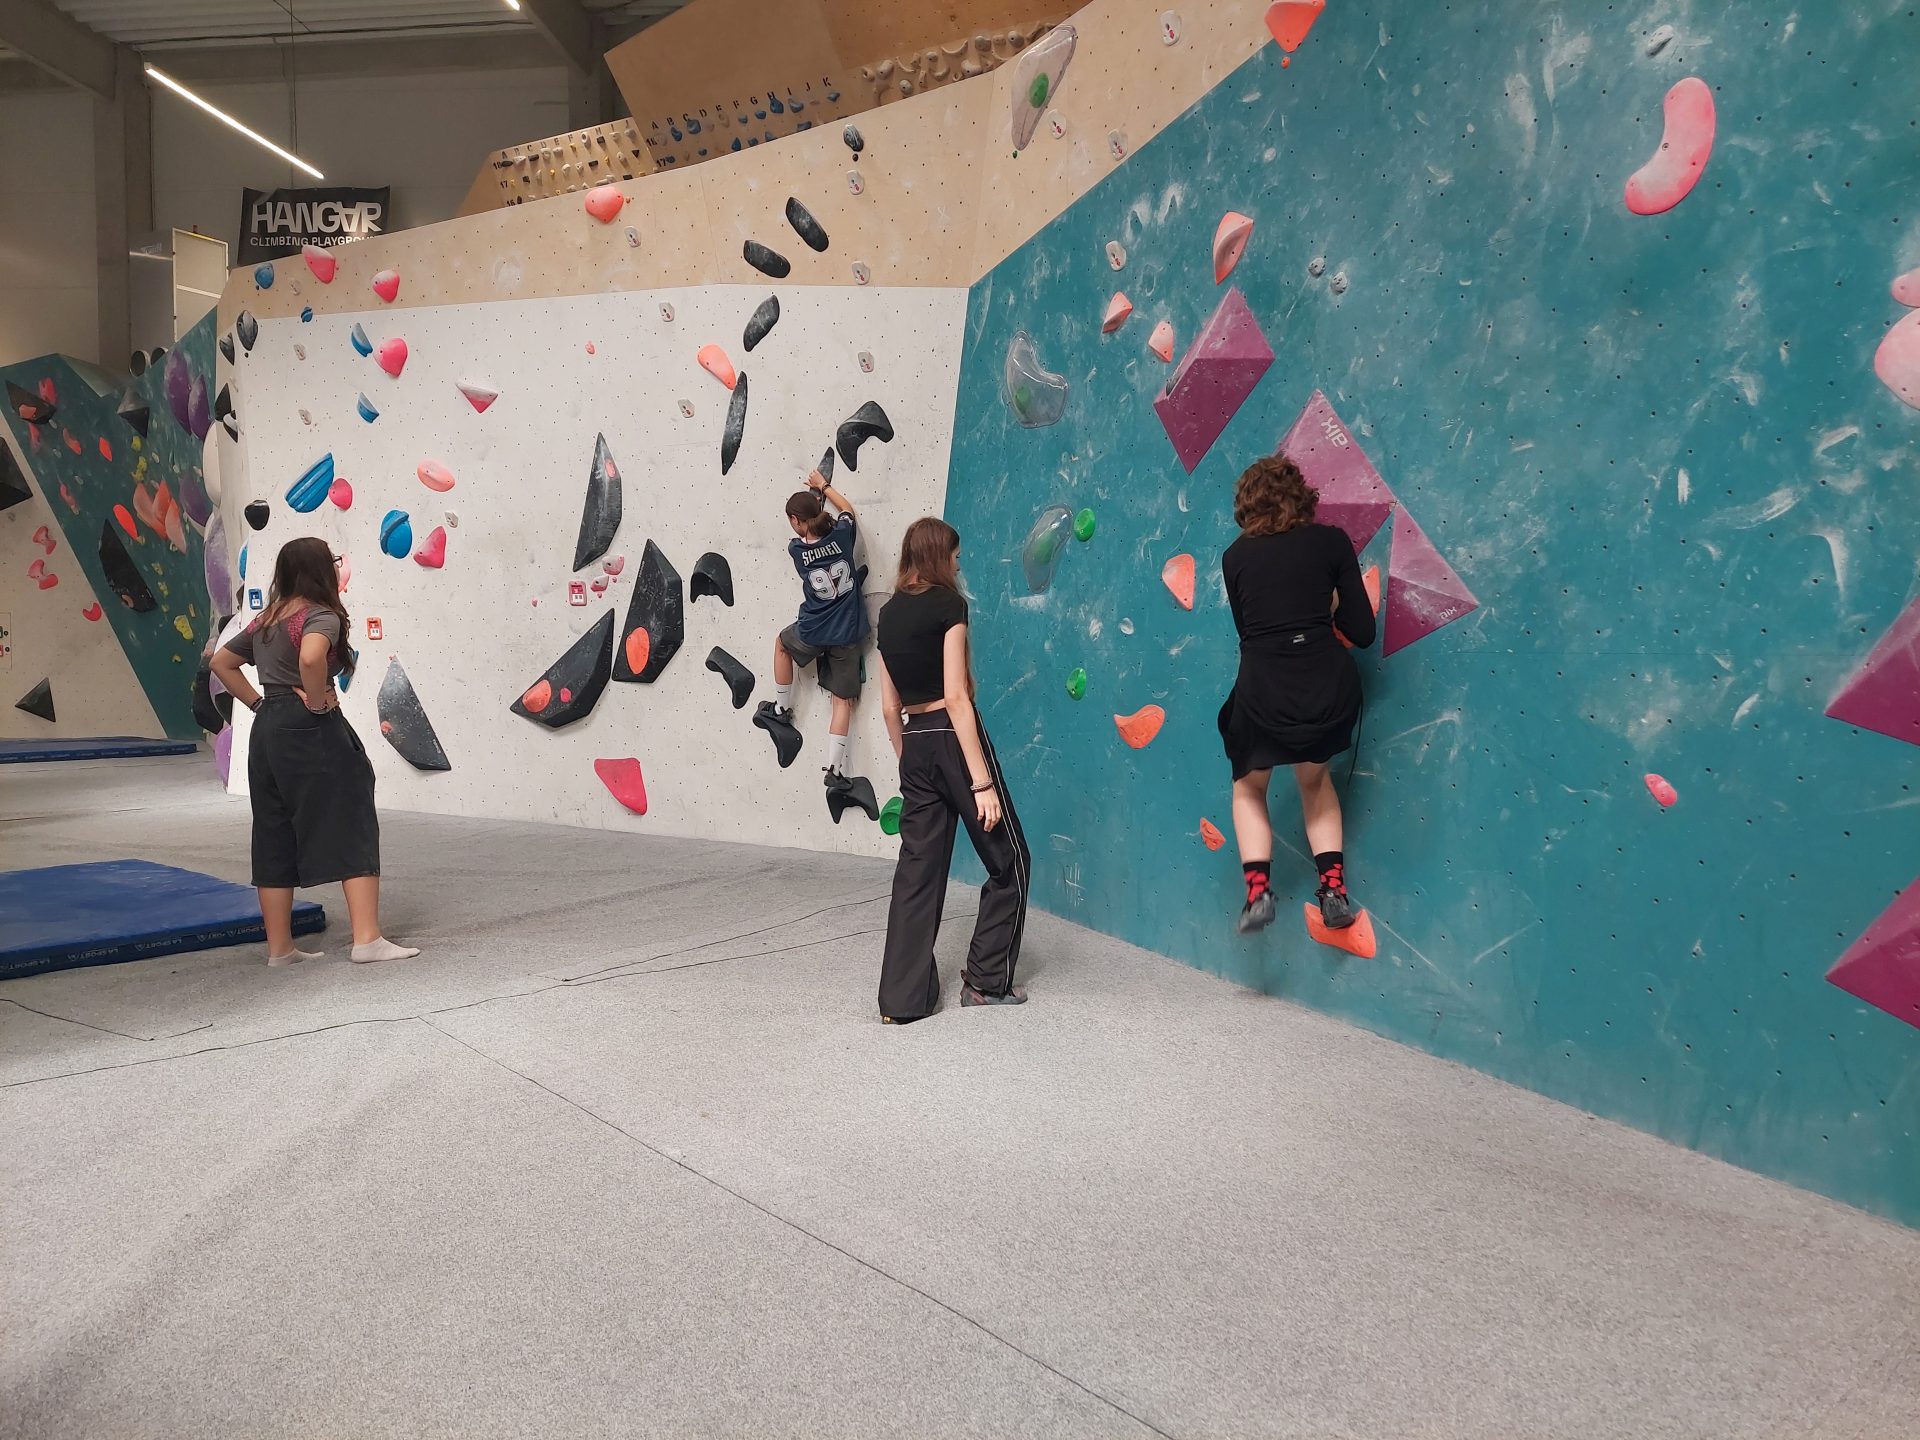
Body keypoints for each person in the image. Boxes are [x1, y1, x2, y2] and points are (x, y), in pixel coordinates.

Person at [209, 536, 419, 966]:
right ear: (321, 569)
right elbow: (310, 658)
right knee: (352, 816)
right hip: (309, 726)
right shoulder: (321, 615)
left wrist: (258, 704)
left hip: (268, 729)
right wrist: (319, 699)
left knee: (273, 829)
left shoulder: (266, 618)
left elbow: (220, 662)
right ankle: (366, 939)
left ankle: (280, 949)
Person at [873, 517, 1031, 1022]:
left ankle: (901, 1002)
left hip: (915, 742)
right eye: (956, 557)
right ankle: (985, 982)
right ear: (940, 557)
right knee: (1011, 862)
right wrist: (981, 783)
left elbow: (888, 707)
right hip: (952, 737)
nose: (959, 566)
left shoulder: (888, 615)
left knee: (916, 874)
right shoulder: (949, 605)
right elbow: (957, 696)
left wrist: (907, 762)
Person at [1217, 453, 1377, 935]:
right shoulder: (1331, 543)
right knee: (1314, 780)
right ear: (1302, 499)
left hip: (1265, 693)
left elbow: (1250, 633)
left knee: (1249, 785)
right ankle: (1333, 891)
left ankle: (1258, 893)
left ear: (1246, 506)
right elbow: (1363, 633)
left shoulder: (1235, 557)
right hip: (1327, 690)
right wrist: (1330, 603)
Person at [753, 467, 878, 820]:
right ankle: (835, 770)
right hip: (847, 633)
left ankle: (782, 709)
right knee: (843, 702)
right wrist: (824, 485)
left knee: (781, 644)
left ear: (796, 521)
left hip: (813, 630)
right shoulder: (843, 535)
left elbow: (811, 539)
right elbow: (848, 510)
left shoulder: (797, 550)